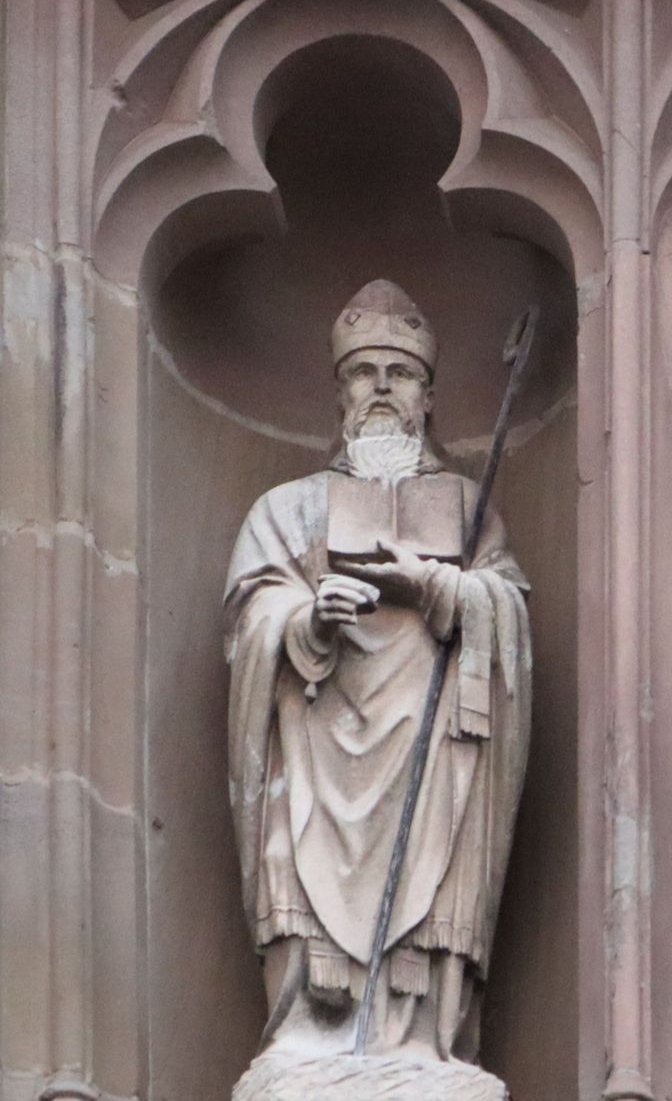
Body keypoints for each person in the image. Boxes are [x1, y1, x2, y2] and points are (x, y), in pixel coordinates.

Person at [224, 279, 532, 1061]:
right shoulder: (286, 510)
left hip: (430, 754)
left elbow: (509, 617)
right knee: (301, 855)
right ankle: (315, 1032)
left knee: (434, 865)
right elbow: (250, 622)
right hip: (320, 743)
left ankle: (419, 1042)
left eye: (402, 373)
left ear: (429, 397)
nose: (384, 388)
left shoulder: (467, 508)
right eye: (365, 372)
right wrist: (307, 618)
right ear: (341, 394)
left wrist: (436, 585)